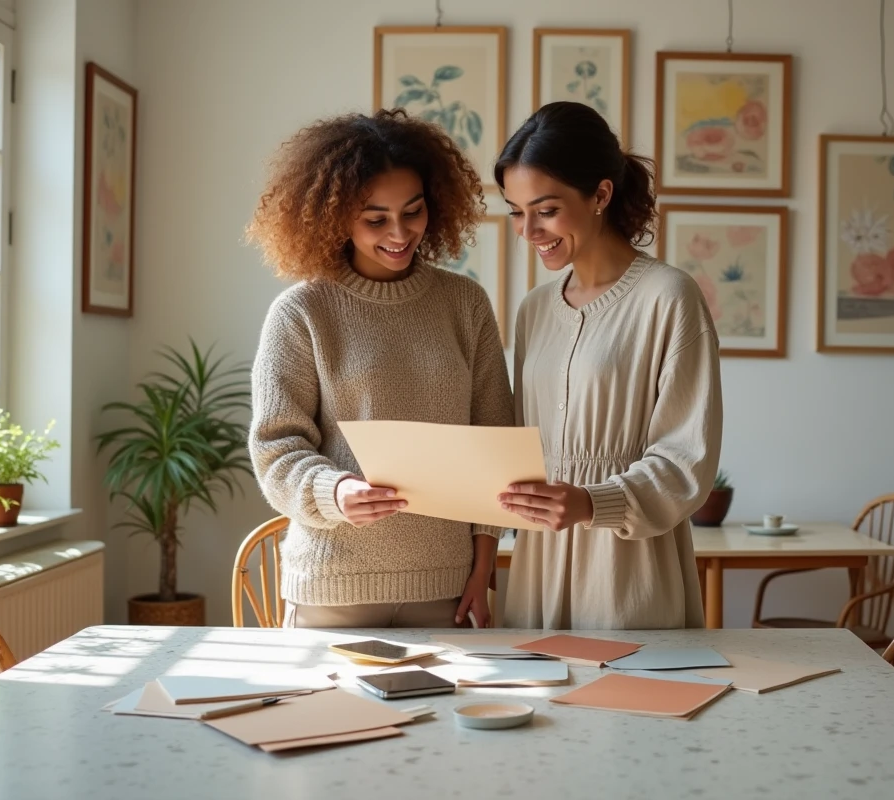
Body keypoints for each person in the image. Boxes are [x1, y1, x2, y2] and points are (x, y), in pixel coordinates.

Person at [245, 108, 513, 629]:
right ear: (334, 216)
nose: (399, 232)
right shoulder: (301, 312)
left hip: (449, 587)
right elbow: (276, 449)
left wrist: (482, 571)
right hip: (332, 587)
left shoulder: (465, 304)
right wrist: (335, 491)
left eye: (413, 212)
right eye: (375, 219)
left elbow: (494, 446)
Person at [495, 101, 723, 630]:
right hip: (539, 561)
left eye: (545, 210)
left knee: (630, 706)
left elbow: (686, 459)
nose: (528, 230)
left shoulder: (669, 297)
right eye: (515, 210)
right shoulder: (534, 309)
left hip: (629, 563)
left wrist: (592, 503)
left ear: (600, 194)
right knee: (541, 705)